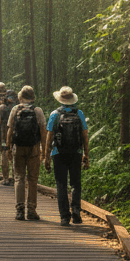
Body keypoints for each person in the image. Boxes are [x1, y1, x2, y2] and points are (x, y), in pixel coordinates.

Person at [44, 85, 89, 225]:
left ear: (60, 100)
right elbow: (85, 136)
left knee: (61, 184)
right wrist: (86, 155)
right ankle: (76, 210)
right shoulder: (79, 113)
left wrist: (46, 157)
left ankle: (64, 216)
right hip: (76, 152)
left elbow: (49, 137)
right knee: (76, 183)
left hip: (58, 153)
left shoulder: (54, 114)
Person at [6, 84, 47, 221]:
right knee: (33, 179)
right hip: (34, 148)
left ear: (20, 97)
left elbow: (10, 131)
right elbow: (43, 132)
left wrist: (8, 148)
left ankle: (19, 210)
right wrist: (44, 150)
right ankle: (31, 210)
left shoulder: (15, 109)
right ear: (33, 97)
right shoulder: (38, 111)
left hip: (18, 147)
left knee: (19, 177)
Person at [0, 82, 15, 186]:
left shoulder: (0, 105)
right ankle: (15, 178)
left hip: (3, 133)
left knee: (4, 154)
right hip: (14, 131)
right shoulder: (13, 101)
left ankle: (5, 178)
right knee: (14, 153)